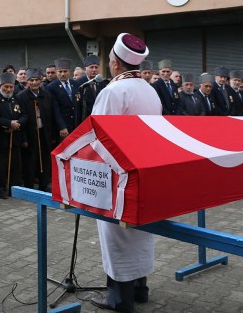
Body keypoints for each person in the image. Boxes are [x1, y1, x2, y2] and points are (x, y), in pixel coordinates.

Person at [90, 33, 159, 313]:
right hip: (143, 172)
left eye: (108, 61)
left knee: (116, 237)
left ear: (116, 65)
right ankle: (140, 290)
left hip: (117, 177)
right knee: (139, 234)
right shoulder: (149, 89)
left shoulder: (113, 92)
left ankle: (120, 300)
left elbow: (98, 137)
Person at [17, 68, 55, 192]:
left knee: (45, 159)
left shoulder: (47, 95)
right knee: (30, 160)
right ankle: (29, 185)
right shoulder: (21, 97)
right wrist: (23, 138)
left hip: (44, 132)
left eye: (36, 80)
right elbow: (19, 117)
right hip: (29, 134)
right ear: (27, 82)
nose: (34, 83)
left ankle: (44, 184)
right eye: (31, 80)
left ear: (41, 80)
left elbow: (52, 116)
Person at [0, 72, 25, 199]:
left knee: (16, 165)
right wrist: (9, 123)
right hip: (1, 137)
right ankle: (0, 189)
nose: (9, 89)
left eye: (11, 87)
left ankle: (14, 188)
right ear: (0, 85)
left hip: (15, 137)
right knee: (0, 165)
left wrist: (18, 123)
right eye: (6, 87)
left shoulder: (17, 98)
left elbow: (24, 115)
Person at [46, 58, 79, 141]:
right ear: (57, 72)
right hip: (63, 126)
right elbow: (55, 109)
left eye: (65, 71)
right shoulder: (52, 87)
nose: (62, 74)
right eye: (60, 72)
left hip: (76, 123)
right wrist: (62, 126)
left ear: (70, 72)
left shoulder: (75, 84)